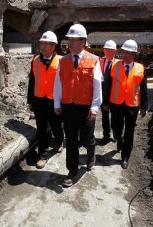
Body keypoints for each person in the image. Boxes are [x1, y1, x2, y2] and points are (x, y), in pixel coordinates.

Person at [54, 24, 102, 187]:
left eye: (74, 40)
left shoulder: (93, 60)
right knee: (72, 140)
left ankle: (91, 153)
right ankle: (72, 171)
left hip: (86, 108)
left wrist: (95, 107)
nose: (70, 44)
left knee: (87, 139)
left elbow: (97, 86)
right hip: (68, 107)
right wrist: (56, 102)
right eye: (69, 40)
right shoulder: (63, 60)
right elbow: (58, 83)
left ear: (83, 42)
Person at [103, 39, 148, 170]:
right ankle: (119, 139)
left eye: (129, 53)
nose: (125, 55)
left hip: (132, 105)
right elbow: (107, 85)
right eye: (124, 52)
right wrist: (105, 102)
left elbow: (144, 88)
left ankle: (125, 157)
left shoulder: (140, 68)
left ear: (134, 54)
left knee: (129, 131)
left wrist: (144, 106)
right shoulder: (114, 66)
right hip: (116, 103)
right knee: (116, 128)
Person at [27, 31, 64, 169]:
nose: (42, 46)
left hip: (54, 101)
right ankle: (42, 155)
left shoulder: (61, 61)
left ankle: (59, 141)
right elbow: (32, 81)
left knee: (56, 126)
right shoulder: (35, 60)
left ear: (53, 46)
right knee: (41, 128)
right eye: (41, 43)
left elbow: (65, 83)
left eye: (46, 44)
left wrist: (63, 102)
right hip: (39, 101)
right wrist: (30, 100)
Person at [98, 40, 117, 145]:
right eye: (107, 49)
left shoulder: (118, 64)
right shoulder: (99, 62)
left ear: (115, 51)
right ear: (104, 50)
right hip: (102, 94)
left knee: (114, 117)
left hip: (114, 96)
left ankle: (116, 134)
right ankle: (106, 135)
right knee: (104, 117)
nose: (109, 52)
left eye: (111, 50)